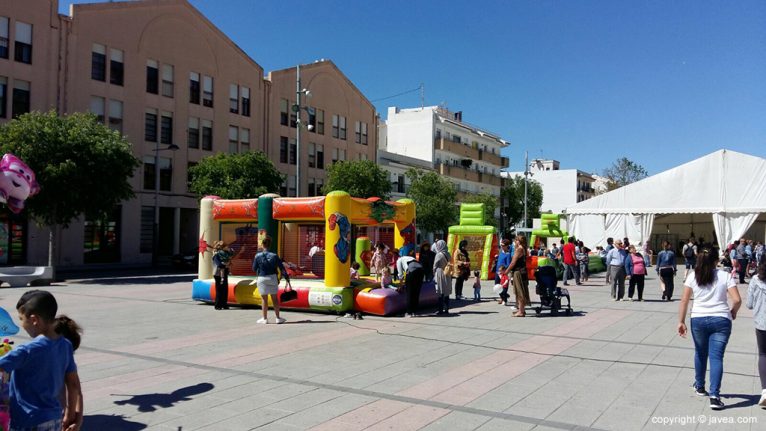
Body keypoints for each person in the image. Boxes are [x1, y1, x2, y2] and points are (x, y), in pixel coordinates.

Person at [0, 290, 83, 431]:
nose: (21, 324)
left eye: (21, 319)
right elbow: (73, 384)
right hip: (54, 419)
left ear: (34, 320)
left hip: (26, 421)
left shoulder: (26, 350)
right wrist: (70, 414)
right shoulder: (65, 345)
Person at [678, 248, 741, 410]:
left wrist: (681, 321)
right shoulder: (725, 276)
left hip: (698, 319)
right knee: (716, 357)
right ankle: (714, 395)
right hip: (721, 319)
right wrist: (732, 311)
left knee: (700, 352)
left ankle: (699, 386)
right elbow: (737, 299)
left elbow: (684, 301)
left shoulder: (693, 276)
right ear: (716, 261)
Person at [252, 237, 291, 324]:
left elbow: (254, 268)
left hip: (262, 278)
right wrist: (286, 277)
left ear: (262, 245)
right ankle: (278, 318)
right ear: (270, 245)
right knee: (274, 298)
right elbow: (282, 268)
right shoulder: (274, 255)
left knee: (264, 299)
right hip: (272, 277)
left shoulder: (257, 256)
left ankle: (265, 319)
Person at [746, 257, 766, 408]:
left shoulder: (755, 280)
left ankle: (765, 390)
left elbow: (749, 304)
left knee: (763, 355)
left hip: (762, 323)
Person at [506, 235, 530, 317]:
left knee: (519, 292)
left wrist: (506, 271)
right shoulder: (524, 249)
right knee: (522, 291)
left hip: (518, 272)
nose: (514, 242)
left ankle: (521, 311)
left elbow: (513, 263)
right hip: (523, 271)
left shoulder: (519, 249)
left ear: (519, 241)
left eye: (516, 240)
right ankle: (521, 310)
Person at [212, 241, 234, 310]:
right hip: (218, 274)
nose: (228, 247)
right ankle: (218, 305)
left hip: (224, 272)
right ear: (223, 247)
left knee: (225, 289)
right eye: (226, 246)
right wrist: (226, 264)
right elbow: (219, 264)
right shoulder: (216, 254)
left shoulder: (226, 254)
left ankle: (224, 304)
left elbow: (232, 254)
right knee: (219, 289)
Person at [433, 240, 452, 314]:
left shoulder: (438, 255)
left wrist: (433, 273)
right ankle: (447, 308)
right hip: (447, 273)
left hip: (440, 272)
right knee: (446, 291)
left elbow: (435, 266)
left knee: (440, 291)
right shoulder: (448, 253)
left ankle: (440, 309)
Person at [404, 253, 425, 317]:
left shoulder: (400, 261)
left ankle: (409, 312)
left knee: (409, 293)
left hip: (412, 273)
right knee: (416, 293)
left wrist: (402, 283)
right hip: (421, 272)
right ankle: (415, 312)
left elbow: (400, 274)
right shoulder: (414, 260)